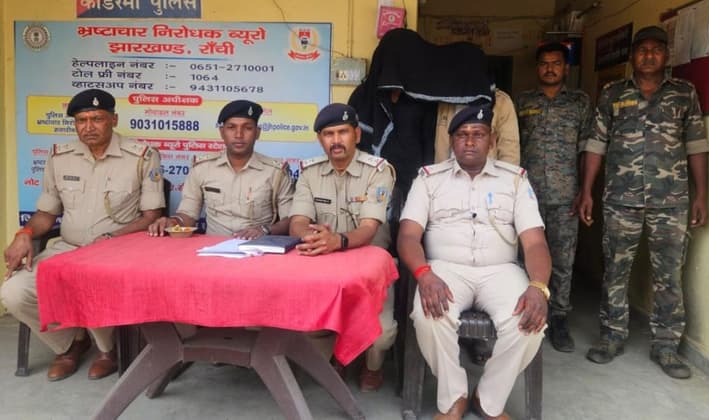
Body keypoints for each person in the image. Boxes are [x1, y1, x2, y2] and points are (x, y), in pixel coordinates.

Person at [398, 104, 551, 419]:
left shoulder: (515, 180)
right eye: (462, 135)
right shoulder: (428, 180)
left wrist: (538, 286)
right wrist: (424, 274)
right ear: (452, 141)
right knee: (429, 315)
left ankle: (489, 399)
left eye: (478, 134)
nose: (469, 141)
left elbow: (535, 242)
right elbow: (408, 236)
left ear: (492, 140)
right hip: (445, 269)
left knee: (530, 321)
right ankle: (454, 396)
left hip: (501, 271)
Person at [1, 89, 164, 381]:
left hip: (116, 251)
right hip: (68, 248)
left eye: (97, 119)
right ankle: (70, 343)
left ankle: (107, 351)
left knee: (88, 279)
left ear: (113, 119)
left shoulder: (141, 156)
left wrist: (112, 238)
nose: (88, 127)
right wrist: (25, 232)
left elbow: (152, 216)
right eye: (81, 120)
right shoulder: (60, 156)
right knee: (13, 292)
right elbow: (46, 213)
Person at [578, 25, 709, 379]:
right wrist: (586, 191)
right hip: (620, 199)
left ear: (667, 55)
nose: (649, 55)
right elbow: (596, 144)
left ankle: (666, 346)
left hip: (672, 201)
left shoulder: (684, 93)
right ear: (632, 56)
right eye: (642, 49)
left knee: (669, 276)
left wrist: (701, 195)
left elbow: (697, 145)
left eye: (656, 49)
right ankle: (611, 336)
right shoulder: (612, 93)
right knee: (615, 271)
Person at [288, 103, 397, 392]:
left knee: (382, 335)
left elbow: (369, 228)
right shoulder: (309, 172)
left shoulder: (378, 171)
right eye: (328, 134)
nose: (336, 140)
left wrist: (339, 240)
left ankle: (372, 366)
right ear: (320, 139)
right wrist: (311, 237)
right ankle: (336, 356)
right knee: (308, 322)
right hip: (324, 264)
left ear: (357, 135)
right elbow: (297, 222)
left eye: (343, 132)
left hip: (370, 266)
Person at [516, 42, 591, 352]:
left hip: (565, 195)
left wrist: (585, 189)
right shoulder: (523, 102)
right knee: (523, 257)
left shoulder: (579, 102)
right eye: (544, 63)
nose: (550, 68)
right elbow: (513, 148)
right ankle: (524, 311)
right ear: (537, 68)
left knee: (562, 259)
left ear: (566, 67)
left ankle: (558, 318)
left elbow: (587, 148)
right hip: (526, 196)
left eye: (556, 63)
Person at [149, 100, 293, 238]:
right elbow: (188, 214)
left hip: (258, 247)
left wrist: (265, 230)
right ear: (222, 132)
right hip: (213, 248)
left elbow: (290, 220)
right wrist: (173, 222)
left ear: (257, 132)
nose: (239, 135)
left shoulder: (275, 172)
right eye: (231, 127)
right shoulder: (202, 168)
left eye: (247, 128)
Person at [434, 89, 521, 165]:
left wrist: (506, 178)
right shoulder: (444, 97)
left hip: (487, 174)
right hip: (447, 173)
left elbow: (509, 149)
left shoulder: (501, 101)